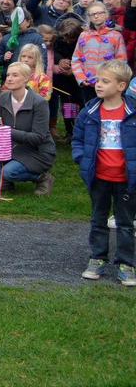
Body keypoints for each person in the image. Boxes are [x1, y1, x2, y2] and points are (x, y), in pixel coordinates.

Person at [74, 60, 136, 285]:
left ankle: (126, 264)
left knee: (125, 223)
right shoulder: (89, 111)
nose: (98, 85)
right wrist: (82, 160)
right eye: (98, 80)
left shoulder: (132, 111)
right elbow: (78, 139)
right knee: (98, 219)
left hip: (127, 179)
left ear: (121, 86)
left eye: (105, 81)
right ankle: (97, 258)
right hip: (98, 176)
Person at [0, 62, 56, 196]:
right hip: (13, 146)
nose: (9, 78)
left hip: (37, 151)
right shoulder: (3, 98)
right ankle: (7, 181)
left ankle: (42, 177)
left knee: (8, 172)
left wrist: (7, 131)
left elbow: (38, 138)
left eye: (15, 75)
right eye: (8, 75)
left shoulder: (39, 103)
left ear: (26, 79)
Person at [72, 1, 127, 105]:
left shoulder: (116, 35)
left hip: (109, 84)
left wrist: (113, 79)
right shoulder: (84, 35)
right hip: (89, 85)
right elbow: (76, 59)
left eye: (100, 13)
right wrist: (81, 78)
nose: (96, 16)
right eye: (93, 14)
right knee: (91, 111)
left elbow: (121, 61)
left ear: (106, 14)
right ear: (89, 17)